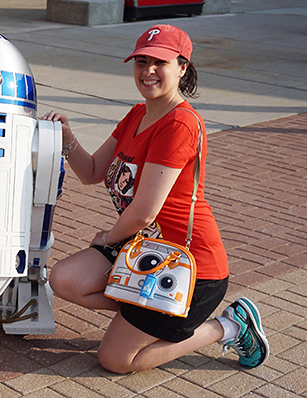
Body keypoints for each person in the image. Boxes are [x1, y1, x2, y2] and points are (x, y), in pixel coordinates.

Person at [42, 24, 269, 374]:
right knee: (65, 279)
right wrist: (66, 137)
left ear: (182, 67)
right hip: (145, 252)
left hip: (189, 267)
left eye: (159, 62)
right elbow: (90, 172)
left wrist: (107, 238)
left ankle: (229, 325)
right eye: (141, 61)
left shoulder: (180, 125)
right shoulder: (137, 114)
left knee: (116, 360)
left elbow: (143, 213)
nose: (148, 71)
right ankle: (145, 315)